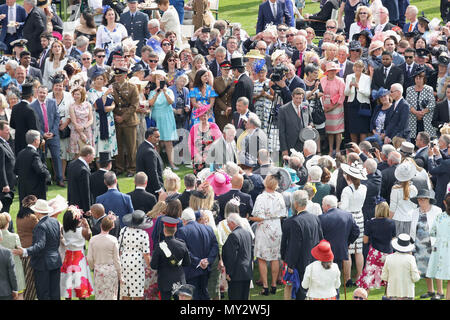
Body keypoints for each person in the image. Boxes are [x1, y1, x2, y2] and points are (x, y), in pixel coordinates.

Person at [12, 199, 62, 300]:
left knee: (43, 293)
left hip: (43, 264)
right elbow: (57, 240)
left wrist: (25, 251)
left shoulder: (40, 226)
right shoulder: (55, 221)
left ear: (38, 212)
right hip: (55, 261)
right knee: (55, 293)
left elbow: (39, 245)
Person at [280, 190, 323, 300]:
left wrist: (291, 264)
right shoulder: (315, 218)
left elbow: (295, 245)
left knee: (301, 292)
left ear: (295, 204)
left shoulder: (296, 221)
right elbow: (321, 239)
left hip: (301, 262)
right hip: (314, 259)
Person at [249, 172, 287, 296]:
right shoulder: (279, 196)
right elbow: (282, 214)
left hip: (264, 227)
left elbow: (259, 217)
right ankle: (274, 284)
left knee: (262, 258)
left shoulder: (261, 197)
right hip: (276, 227)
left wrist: (249, 218)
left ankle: (265, 286)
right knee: (275, 257)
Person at [409, 189, 445, 300]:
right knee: (424, 270)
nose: (421, 201)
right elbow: (412, 230)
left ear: (428, 200)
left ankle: (440, 292)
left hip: (433, 245)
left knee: (436, 268)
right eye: (419, 199)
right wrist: (411, 245)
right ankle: (431, 291)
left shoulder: (437, 211)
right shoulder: (415, 212)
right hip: (419, 246)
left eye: (423, 199)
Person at [177, 207, 219, 300]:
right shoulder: (208, 229)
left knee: (192, 296)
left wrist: (200, 262)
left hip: (191, 270)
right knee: (204, 294)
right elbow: (215, 246)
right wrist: (208, 260)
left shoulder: (182, 231)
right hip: (205, 269)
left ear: (183, 220)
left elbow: (183, 251)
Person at [356, 200, 396, 291]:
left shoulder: (370, 223)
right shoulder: (392, 223)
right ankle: (387, 297)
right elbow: (394, 240)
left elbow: (365, 241)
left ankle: (364, 296)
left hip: (375, 253)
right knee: (388, 278)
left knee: (368, 279)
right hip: (388, 253)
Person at [150, 216, 191, 300]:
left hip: (165, 280)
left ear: (164, 230)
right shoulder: (182, 244)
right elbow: (187, 262)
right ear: (175, 229)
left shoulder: (159, 246)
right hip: (179, 280)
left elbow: (153, 265)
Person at [31, 85, 64, 187]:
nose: (42, 95)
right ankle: (46, 179)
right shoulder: (32, 106)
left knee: (57, 157)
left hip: (53, 136)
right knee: (42, 158)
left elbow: (57, 118)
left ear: (46, 93)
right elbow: (33, 122)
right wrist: (42, 134)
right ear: (37, 93)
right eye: (40, 92)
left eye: (44, 93)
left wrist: (53, 132)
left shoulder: (52, 102)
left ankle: (60, 179)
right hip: (41, 137)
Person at [60, 206, 93, 299]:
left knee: (68, 284)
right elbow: (89, 237)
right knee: (81, 285)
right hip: (79, 259)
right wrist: (86, 225)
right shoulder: (82, 231)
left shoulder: (63, 230)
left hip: (68, 258)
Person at [112, 67, 140, 177]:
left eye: (119, 76)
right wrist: (115, 115)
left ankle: (132, 168)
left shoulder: (132, 87)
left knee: (131, 146)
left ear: (125, 75)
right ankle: (119, 167)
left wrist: (123, 117)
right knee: (118, 145)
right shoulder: (112, 87)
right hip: (116, 118)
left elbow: (134, 105)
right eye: (116, 76)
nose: (117, 78)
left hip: (129, 120)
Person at [87, 213, 122, 300]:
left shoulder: (93, 239)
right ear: (111, 227)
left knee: (99, 296)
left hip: (98, 270)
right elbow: (116, 259)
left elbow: (89, 258)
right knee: (111, 296)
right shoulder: (113, 240)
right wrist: (120, 275)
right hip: (111, 270)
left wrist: (93, 267)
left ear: (101, 225)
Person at [148, 70, 178, 169]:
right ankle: (157, 163)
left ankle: (172, 163)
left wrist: (164, 92)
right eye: (158, 78)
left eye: (161, 78)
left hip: (167, 117)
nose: (160, 80)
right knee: (157, 142)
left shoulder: (169, 90)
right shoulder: (152, 92)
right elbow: (151, 104)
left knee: (168, 142)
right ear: (155, 80)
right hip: (156, 118)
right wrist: (157, 93)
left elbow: (171, 102)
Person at [119, 210, 151, 300]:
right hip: (137, 263)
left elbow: (120, 250)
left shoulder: (123, 230)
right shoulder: (143, 234)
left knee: (125, 292)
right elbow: (146, 254)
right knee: (137, 293)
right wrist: (149, 266)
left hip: (124, 261)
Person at [87, 70, 118, 159]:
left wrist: (108, 108)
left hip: (108, 121)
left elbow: (113, 103)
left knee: (108, 143)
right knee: (99, 144)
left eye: (101, 79)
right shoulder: (91, 92)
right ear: (94, 80)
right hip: (98, 121)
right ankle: (100, 167)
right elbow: (97, 106)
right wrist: (105, 96)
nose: (99, 81)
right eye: (97, 79)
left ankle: (108, 165)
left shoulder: (105, 89)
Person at [221, 212, 253, 300]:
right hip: (247, 272)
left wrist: (229, 273)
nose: (228, 226)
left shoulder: (233, 235)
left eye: (228, 224)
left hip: (236, 274)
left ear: (232, 223)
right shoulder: (248, 233)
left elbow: (231, 256)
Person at [381, 233, 421, 300]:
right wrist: (418, 273)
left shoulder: (389, 258)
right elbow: (415, 278)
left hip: (392, 293)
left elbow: (384, 277)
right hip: (408, 293)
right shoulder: (411, 259)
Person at [14, 130, 51, 202]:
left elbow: (15, 170)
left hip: (23, 189)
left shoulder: (20, 153)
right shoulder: (34, 154)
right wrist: (48, 175)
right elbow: (40, 170)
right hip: (35, 189)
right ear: (36, 141)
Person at [426, 193, 450, 300]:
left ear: (444, 202)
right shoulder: (439, 216)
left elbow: (432, 232)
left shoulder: (439, 217)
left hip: (441, 251)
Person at [188, 104, 222, 174]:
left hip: (212, 157)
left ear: (208, 115)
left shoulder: (213, 126)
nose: (203, 116)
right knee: (199, 180)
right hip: (198, 159)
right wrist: (196, 155)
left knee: (212, 179)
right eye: (201, 115)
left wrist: (207, 155)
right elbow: (190, 144)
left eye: (205, 114)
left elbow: (219, 141)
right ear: (198, 117)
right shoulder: (194, 128)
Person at [15, 195, 38, 300]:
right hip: (30, 251)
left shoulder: (18, 216)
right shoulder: (32, 218)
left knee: (25, 279)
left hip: (22, 251)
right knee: (31, 281)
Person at [344, 60, 371, 144]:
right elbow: (346, 93)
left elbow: (368, 94)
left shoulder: (367, 78)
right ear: (353, 68)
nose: (358, 68)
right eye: (356, 66)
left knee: (362, 129)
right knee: (353, 129)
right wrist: (349, 86)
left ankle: (362, 149)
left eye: (360, 67)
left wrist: (359, 87)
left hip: (363, 105)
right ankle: (354, 148)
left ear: (363, 68)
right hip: (352, 105)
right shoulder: (349, 77)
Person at [321, 62, 345, 156]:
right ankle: (331, 150)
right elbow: (320, 92)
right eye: (330, 70)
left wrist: (331, 108)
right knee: (329, 131)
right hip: (325, 107)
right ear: (327, 71)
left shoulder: (340, 81)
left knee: (337, 131)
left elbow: (342, 96)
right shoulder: (322, 80)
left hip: (336, 108)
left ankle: (338, 150)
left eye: (334, 70)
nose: (332, 72)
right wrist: (324, 107)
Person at [405, 67, 437, 141]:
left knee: (426, 140)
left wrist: (422, 113)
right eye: (416, 78)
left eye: (420, 78)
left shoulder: (429, 89)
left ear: (424, 79)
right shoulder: (409, 89)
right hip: (413, 119)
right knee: (414, 139)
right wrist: (416, 113)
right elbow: (407, 104)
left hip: (426, 119)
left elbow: (432, 103)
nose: (418, 80)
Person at [278, 88, 311, 157]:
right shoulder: (283, 110)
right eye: (296, 98)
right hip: (290, 144)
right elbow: (281, 131)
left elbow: (310, 121)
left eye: (300, 98)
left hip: (304, 144)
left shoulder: (306, 106)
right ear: (292, 97)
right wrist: (284, 149)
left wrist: (310, 126)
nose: (298, 101)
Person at [9, 82, 39, 156]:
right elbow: (34, 129)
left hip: (18, 141)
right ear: (31, 96)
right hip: (29, 143)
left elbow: (12, 124)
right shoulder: (30, 110)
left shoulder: (15, 108)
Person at [389, 161, 418, 235]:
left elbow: (392, 208)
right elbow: (415, 206)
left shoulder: (395, 189)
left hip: (397, 219)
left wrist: (388, 220)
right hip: (410, 219)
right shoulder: (414, 189)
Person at [0, 213, 25, 299]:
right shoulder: (14, 237)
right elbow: (20, 251)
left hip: (2, 276)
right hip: (15, 271)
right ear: (8, 223)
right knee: (19, 296)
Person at [136, 127, 165, 198]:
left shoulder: (142, 146)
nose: (159, 139)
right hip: (152, 189)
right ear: (150, 137)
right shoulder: (149, 151)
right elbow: (153, 172)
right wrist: (158, 189)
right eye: (157, 137)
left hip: (146, 187)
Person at [67, 145, 95, 213]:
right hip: (81, 207)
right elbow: (85, 191)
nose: (94, 158)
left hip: (72, 203)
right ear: (88, 155)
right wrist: (88, 209)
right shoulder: (83, 170)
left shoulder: (71, 164)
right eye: (93, 155)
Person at [68, 86, 94, 158]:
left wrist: (84, 127)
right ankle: (76, 168)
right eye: (75, 94)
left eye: (78, 94)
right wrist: (81, 134)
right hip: (76, 131)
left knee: (88, 153)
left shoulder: (88, 105)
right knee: (78, 154)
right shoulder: (72, 106)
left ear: (82, 95)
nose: (76, 96)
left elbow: (91, 119)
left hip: (87, 130)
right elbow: (74, 121)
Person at [0, 120, 15, 213]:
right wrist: (5, 184)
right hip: (4, 186)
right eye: (7, 130)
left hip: (10, 182)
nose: (9, 132)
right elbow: (1, 166)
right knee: (4, 212)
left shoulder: (5, 142)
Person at [0, 228, 18, 300]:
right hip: (5, 291)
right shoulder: (7, 253)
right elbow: (12, 273)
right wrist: (15, 289)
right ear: (1, 238)